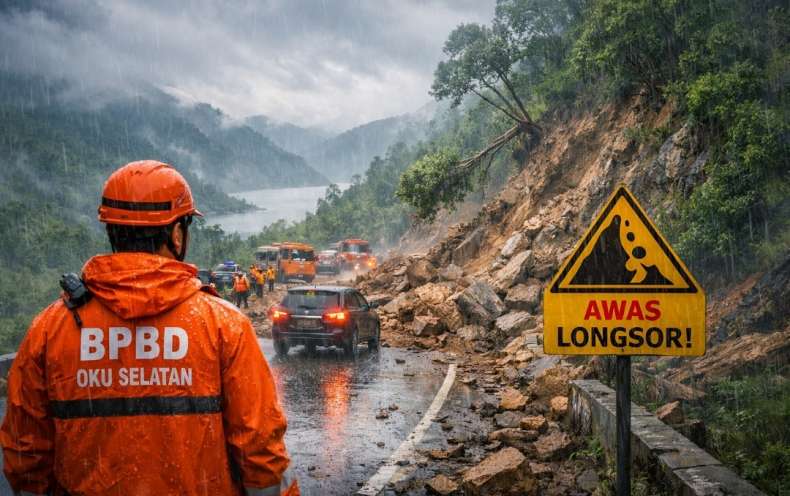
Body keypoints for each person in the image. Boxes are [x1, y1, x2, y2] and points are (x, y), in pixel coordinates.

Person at [0, 160, 298, 496]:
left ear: (111, 229)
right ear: (175, 233)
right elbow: (261, 454)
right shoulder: (224, 325)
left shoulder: (50, 328)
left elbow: (25, 457)